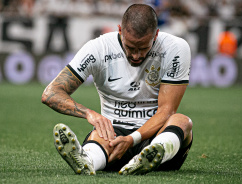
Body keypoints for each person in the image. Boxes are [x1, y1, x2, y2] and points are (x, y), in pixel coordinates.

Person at [41, 4, 193, 175]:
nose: (136, 55)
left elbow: (166, 111)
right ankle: (87, 161)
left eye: (143, 48)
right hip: (113, 135)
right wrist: (89, 113)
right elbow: (50, 93)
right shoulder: (98, 48)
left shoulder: (175, 48)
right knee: (100, 133)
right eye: (130, 47)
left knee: (182, 121)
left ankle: (153, 153)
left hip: (154, 133)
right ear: (120, 30)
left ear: (156, 35)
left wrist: (132, 139)